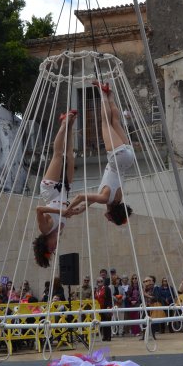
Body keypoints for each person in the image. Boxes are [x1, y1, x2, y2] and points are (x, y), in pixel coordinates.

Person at [66, 81, 134, 225]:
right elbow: (80, 197)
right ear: (112, 215)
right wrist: (67, 209)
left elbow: (90, 201)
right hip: (117, 158)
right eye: (111, 220)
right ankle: (102, 93)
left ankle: (110, 95)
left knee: (115, 122)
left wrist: (79, 210)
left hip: (128, 159)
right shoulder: (105, 199)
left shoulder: (117, 199)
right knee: (105, 123)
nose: (108, 220)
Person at [33, 110, 78, 267]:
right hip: (64, 192)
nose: (54, 248)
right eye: (53, 251)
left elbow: (39, 209)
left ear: (45, 244)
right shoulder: (60, 231)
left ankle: (64, 122)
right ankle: (70, 126)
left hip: (50, 190)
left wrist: (61, 212)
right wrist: (71, 211)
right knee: (70, 156)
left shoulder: (45, 229)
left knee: (58, 155)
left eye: (51, 249)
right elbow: (64, 211)